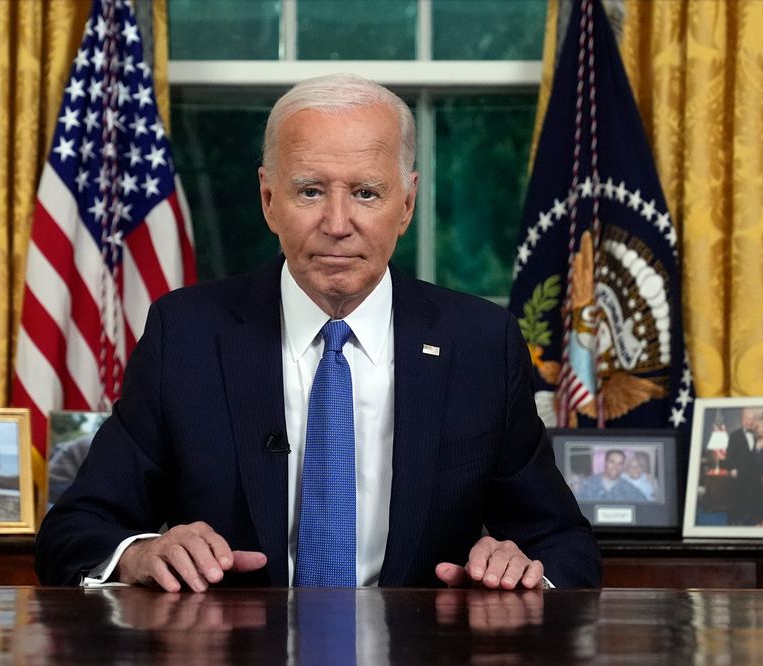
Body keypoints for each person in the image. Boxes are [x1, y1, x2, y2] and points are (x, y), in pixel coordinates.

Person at [35, 73, 600, 592]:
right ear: (268, 200)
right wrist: (139, 553)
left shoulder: (481, 342)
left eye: (366, 193)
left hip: (425, 659)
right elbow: (78, 530)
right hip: (231, 660)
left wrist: (523, 572)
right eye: (310, 191)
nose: (336, 224)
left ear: (406, 204)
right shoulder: (186, 334)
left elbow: (564, 545)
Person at [726, 407, 763, 524]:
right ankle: (732, 520)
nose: (749, 421)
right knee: (736, 498)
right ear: (742, 419)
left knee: (751, 498)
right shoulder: (734, 435)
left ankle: (747, 520)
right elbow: (729, 456)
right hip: (738, 473)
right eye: (747, 418)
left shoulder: (756, 435)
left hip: (752, 474)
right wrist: (732, 469)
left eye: (752, 419)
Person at [574, 450, 646, 501]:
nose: (615, 467)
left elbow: (645, 507)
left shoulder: (630, 489)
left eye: (619, 463)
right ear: (605, 462)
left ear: (623, 466)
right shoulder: (587, 484)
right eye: (612, 462)